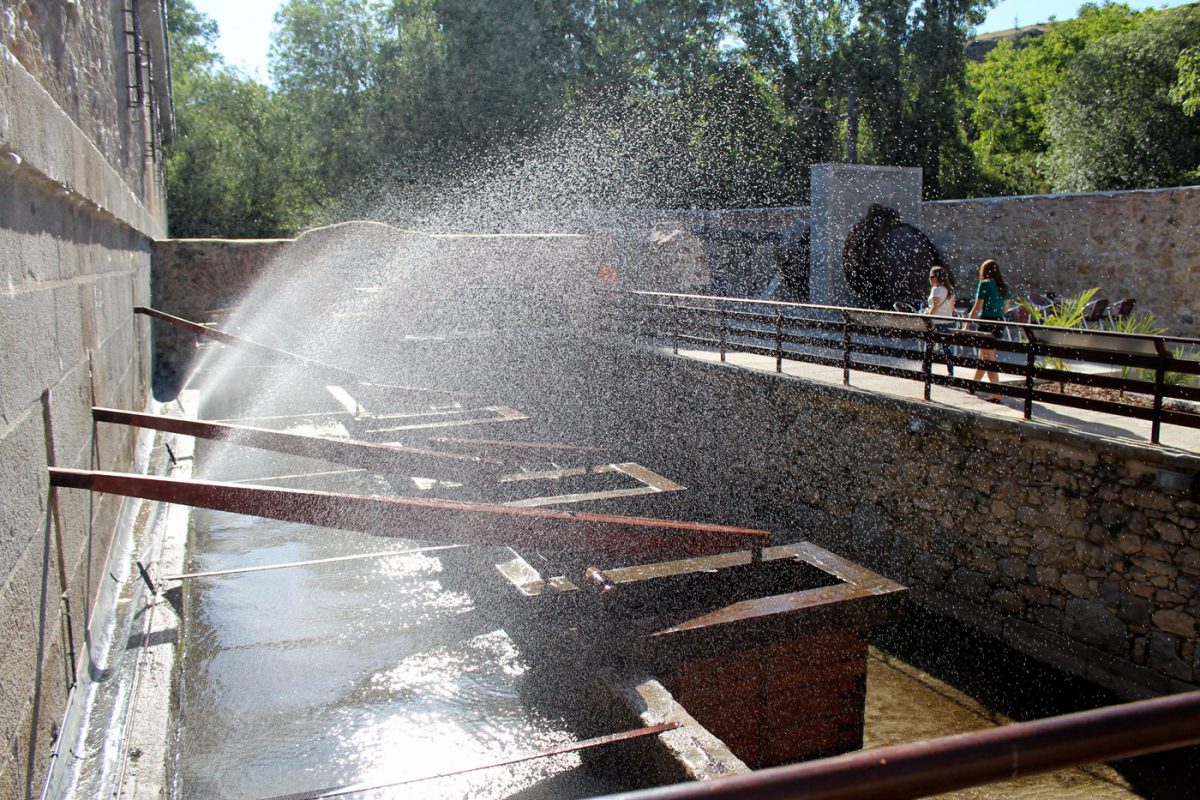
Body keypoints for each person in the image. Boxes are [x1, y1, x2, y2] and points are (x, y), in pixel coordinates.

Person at [966, 259, 1013, 400]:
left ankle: (997, 393)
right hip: (998, 323)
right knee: (983, 356)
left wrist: (968, 322)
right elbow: (1005, 309)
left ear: (984, 272)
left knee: (988, 358)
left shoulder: (984, 284)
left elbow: (978, 306)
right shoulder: (1004, 286)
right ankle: (972, 386)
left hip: (986, 323)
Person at [926, 266, 957, 375]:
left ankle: (926, 368)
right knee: (947, 349)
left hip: (937, 322)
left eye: (931, 276)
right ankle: (951, 371)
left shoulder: (936, 289)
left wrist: (928, 318)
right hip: (948, 322)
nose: (930, 279)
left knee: (929, 346)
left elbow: (935, 307)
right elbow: (952, 309)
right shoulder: (950, 290)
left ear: (938, 277)